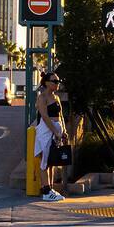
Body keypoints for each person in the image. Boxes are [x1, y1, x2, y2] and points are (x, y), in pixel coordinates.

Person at [34, 71, 68, 202]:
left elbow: (61, 117)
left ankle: (51, 188)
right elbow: (45, 117)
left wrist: (63, 131)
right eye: (55, 81)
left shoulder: (56, 97)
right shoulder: (42, 98)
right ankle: (46, 190)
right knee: (44, 161)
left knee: (52, 160)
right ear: (47, 83)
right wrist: (55, 131)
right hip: (46, 130)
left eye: (58, 81)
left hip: (56, 130)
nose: (57, 84)